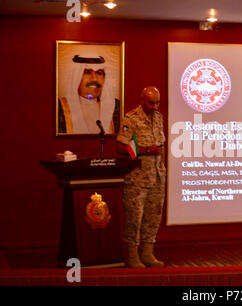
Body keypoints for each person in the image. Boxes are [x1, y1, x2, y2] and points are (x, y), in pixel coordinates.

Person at [116, 86, 166, 268]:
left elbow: (162, 146)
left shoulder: (159, 118)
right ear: (142, 100)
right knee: (134, 218)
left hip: (157, 177)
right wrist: (146, 150)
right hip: (137, 179)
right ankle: (132, 255)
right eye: (151, 103)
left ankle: (147, 253)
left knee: (153, 217)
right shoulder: (131, 119)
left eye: (157, 103)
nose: (154, 106)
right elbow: (121, 148)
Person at [58, 54, 120, 134]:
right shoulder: (60, 108)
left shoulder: (116, 107)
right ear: (76, 77)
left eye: (99, 73)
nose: (94, 78)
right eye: (87, 72)